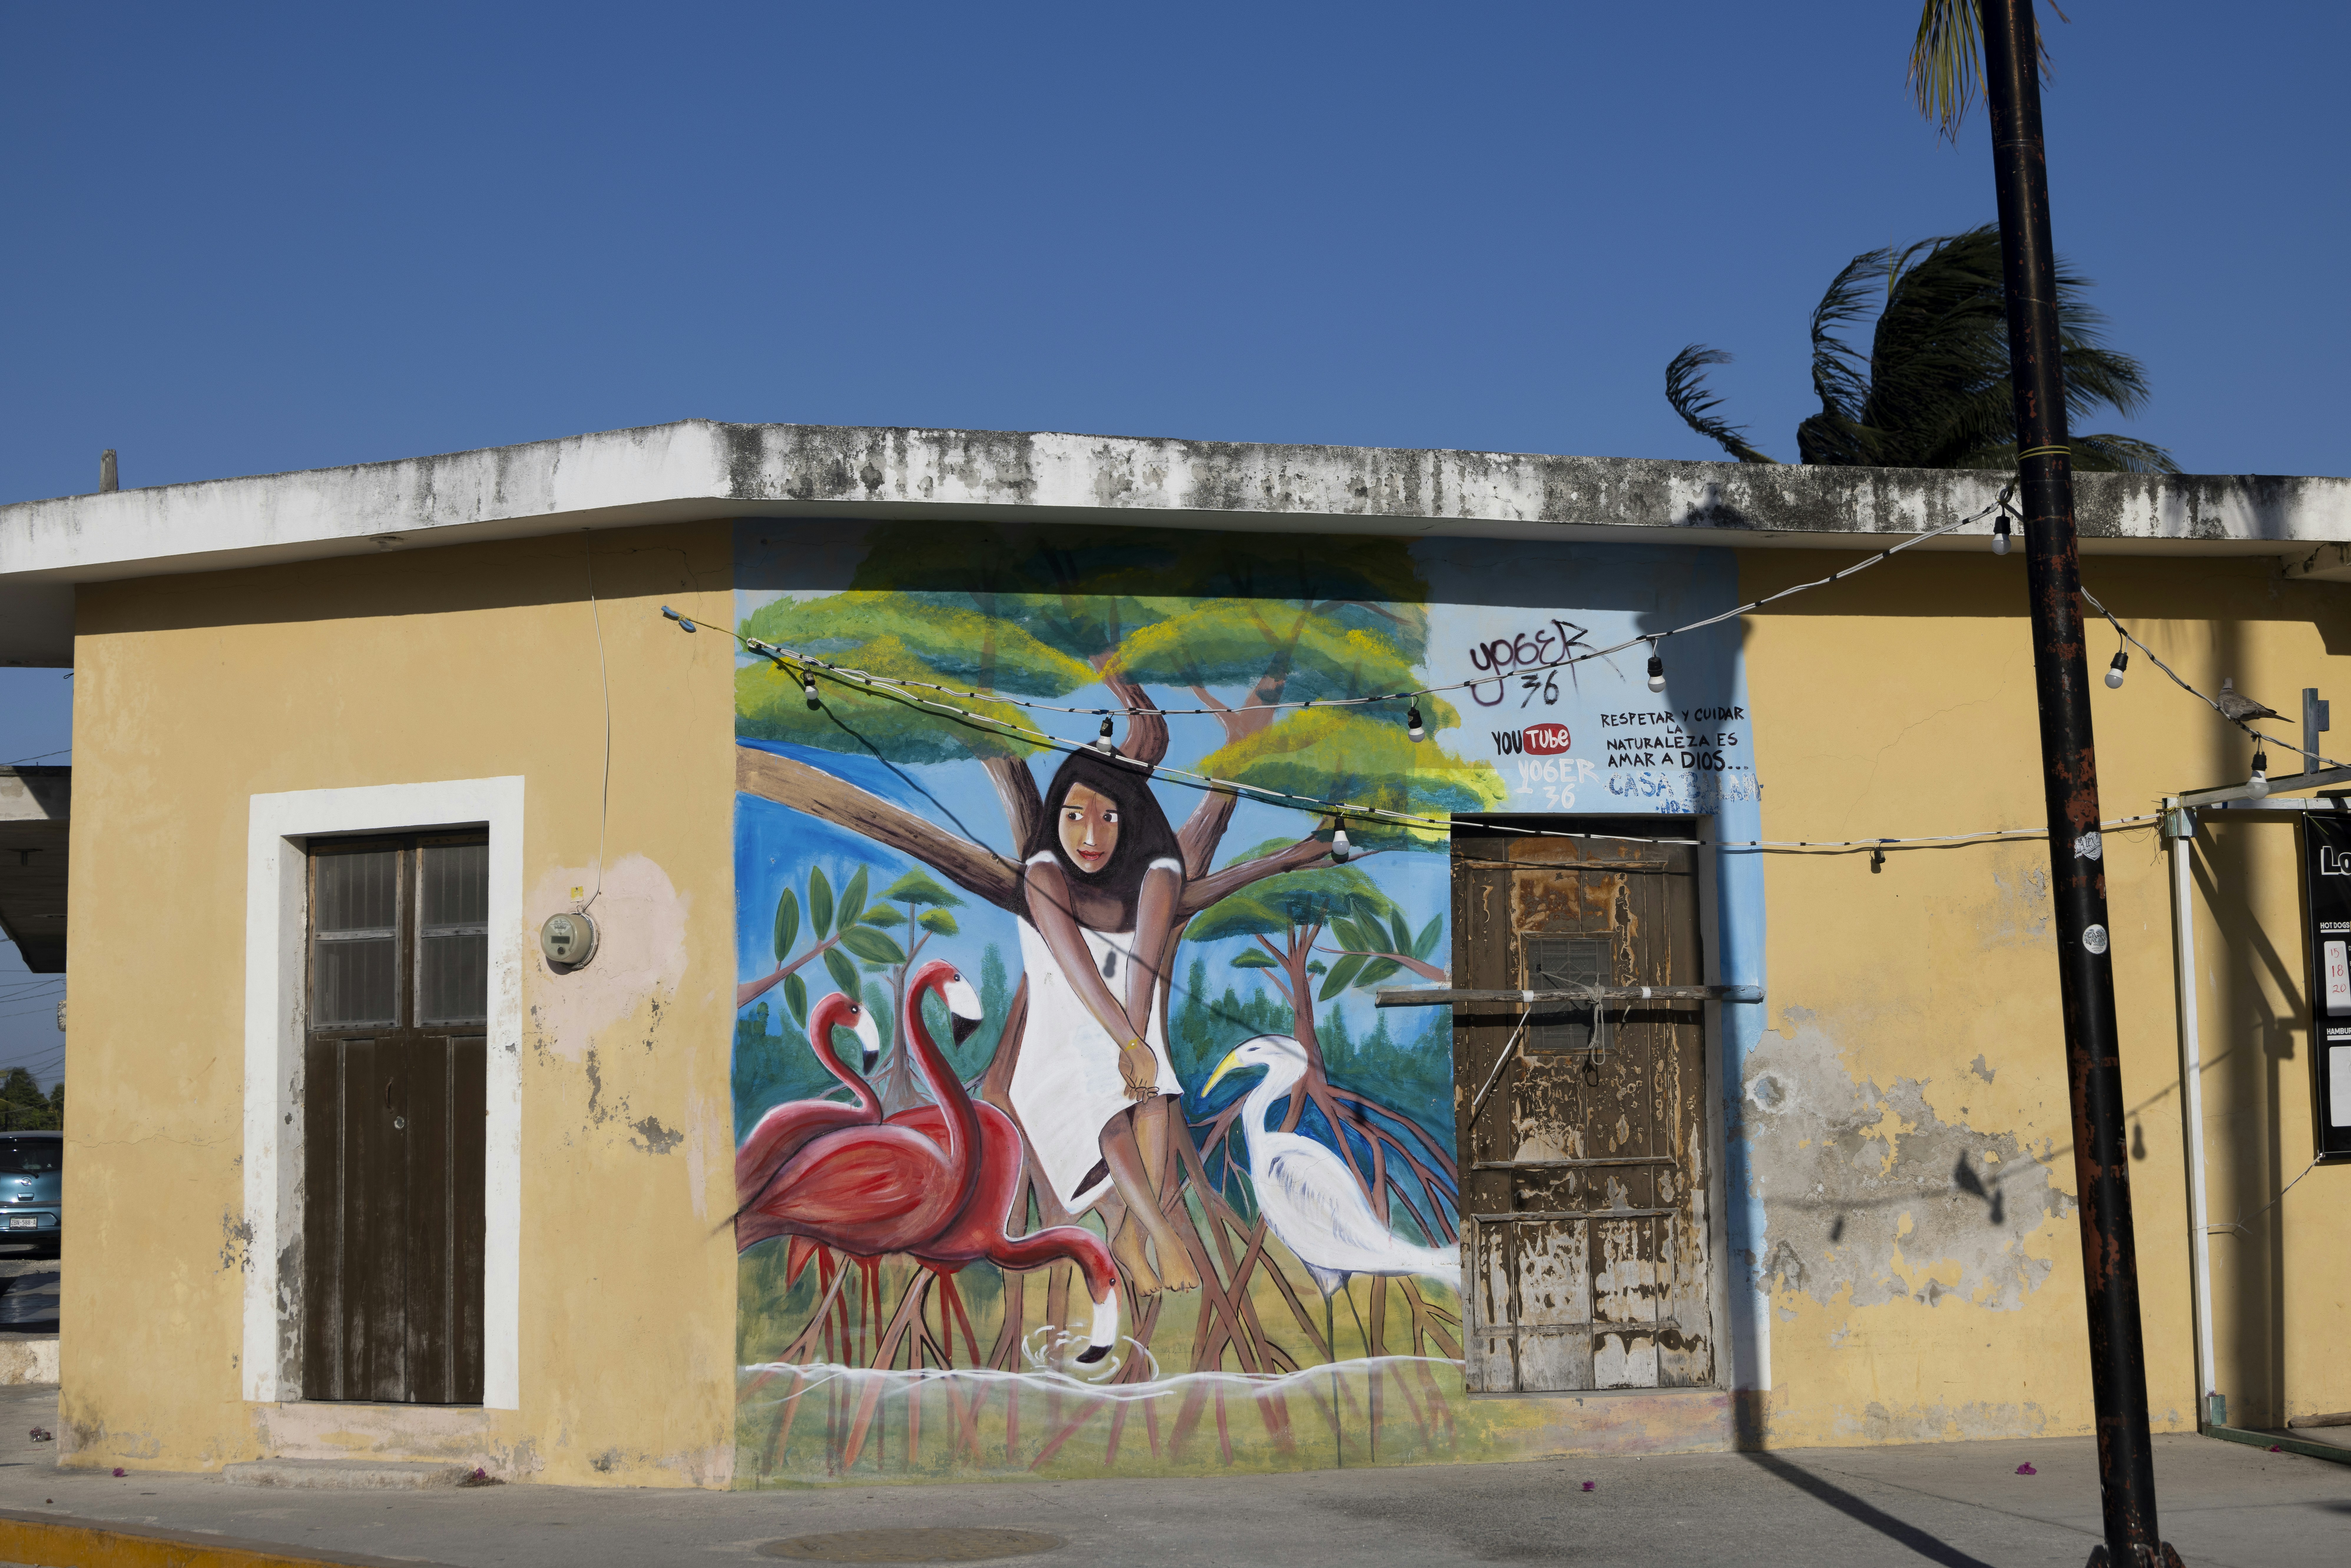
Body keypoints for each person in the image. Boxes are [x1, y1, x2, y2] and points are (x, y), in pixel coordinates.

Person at [1009, 748, 1200, 1294]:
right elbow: (1078, 970)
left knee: (1153, 1090)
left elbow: (1141, 968)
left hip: (1129, 1017)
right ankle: (1162, 1235)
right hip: (1064, 1027)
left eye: (1107, 817)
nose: (1089, 834)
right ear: (1055, 818)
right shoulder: (1043, 873)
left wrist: (1136, 1046)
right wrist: (1123, 1043)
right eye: (1074, 816)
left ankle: (1131, 1239)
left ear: (1129, 818)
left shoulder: (1159, 872)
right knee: (1105, 1094)